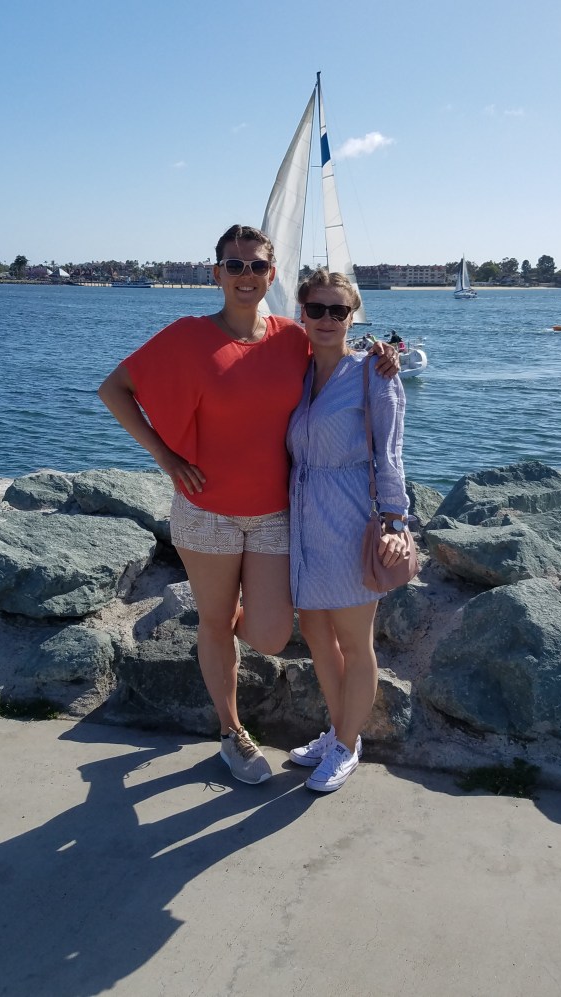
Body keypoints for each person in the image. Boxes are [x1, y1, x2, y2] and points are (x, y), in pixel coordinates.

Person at [98, 224, 398, 786]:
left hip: (274, 515)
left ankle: (226, 642)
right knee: (215, 623)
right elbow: (114, 389)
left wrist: (380, 355)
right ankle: (231, 731)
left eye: (257, 265)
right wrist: (165, 457)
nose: (246, 275)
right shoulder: (188, 334)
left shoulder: (290, 337)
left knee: (270, 633)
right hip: (204, 511)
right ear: (217, 273)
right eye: (234, 265)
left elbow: (336, 354)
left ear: (272, 274)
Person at [286, 270, 410, 793]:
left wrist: (396, 522)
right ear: (302, 312)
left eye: (339, 311)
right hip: (302, 521)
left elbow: (391, 452)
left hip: (350, 516)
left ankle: (347, 744)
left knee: (355, 643)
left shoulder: (374, 373)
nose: (327, 319)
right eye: (317, 309)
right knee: (317, 637)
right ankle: (339, 732)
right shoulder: (295, 371)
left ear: (353, 316)